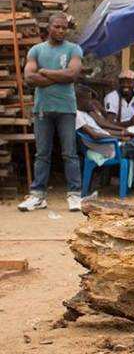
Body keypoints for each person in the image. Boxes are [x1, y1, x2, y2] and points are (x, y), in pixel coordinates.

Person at [18, 13, 83, 212]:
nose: (61, 31)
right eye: (57, 27)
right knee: (42, 154)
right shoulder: (36, 50)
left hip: (66, 109)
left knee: (69, 153)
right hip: (42, 109)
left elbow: (72, 74)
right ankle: (38, 196)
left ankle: (75, 195)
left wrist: (45, 72)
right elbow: (29, 78)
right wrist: (59, 77)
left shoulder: (74, 49)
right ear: (49, 27)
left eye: (64, 28)